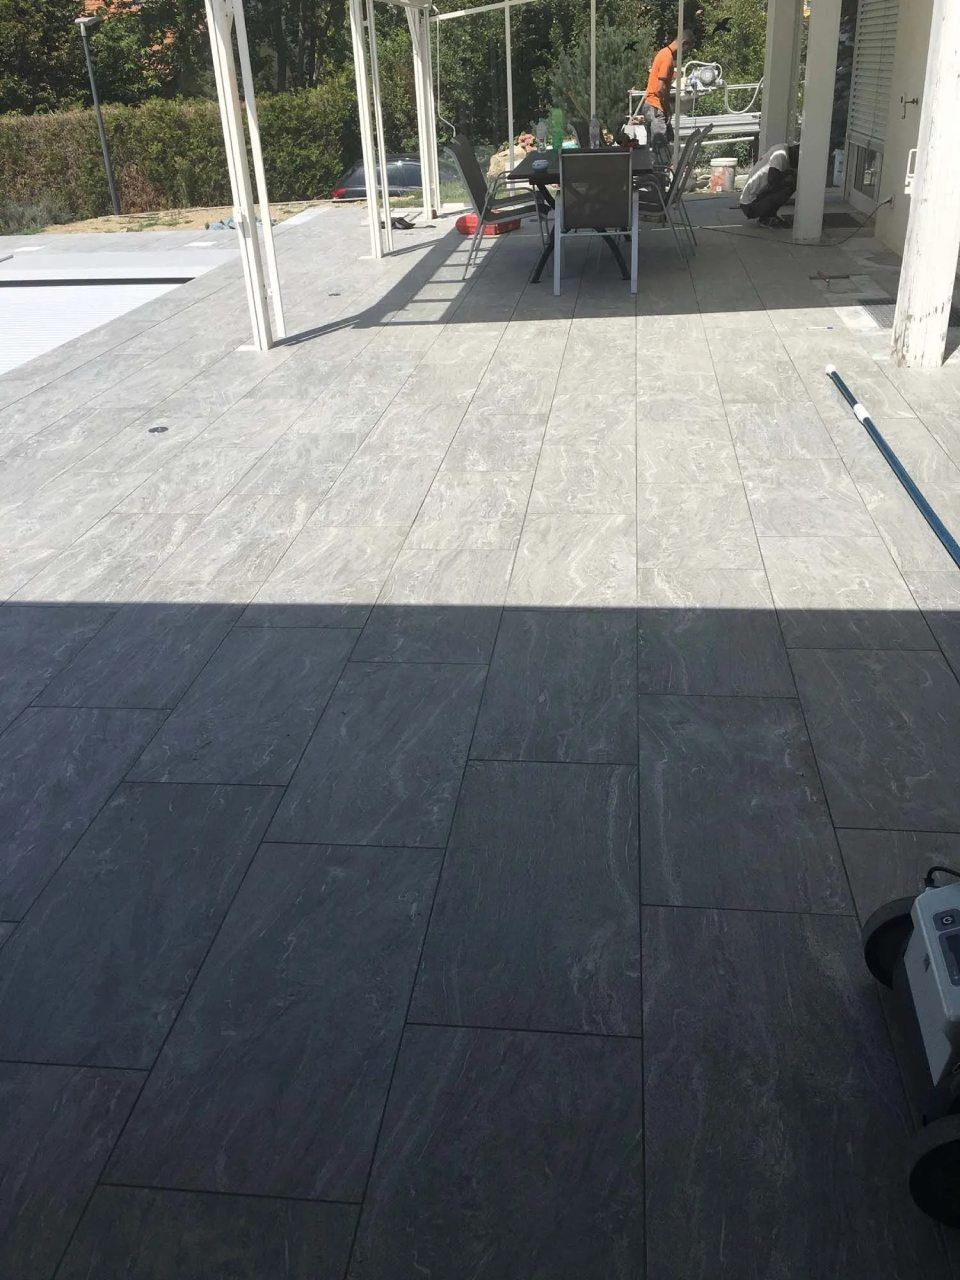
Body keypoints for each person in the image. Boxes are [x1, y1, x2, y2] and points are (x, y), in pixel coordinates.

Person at [641, 27, 693, 162]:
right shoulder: (667, 58)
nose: (684, 53)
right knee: (660, 147)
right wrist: (666, 108)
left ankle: (664, 167)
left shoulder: (663, 53)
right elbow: (660, 89)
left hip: (652, 105)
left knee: (668, 141)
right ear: (684, 43)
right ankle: (660, 170)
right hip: (655, 106)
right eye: (686, 49)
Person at [739, 142, 800, 227]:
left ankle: (769, 215)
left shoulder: (782, 149)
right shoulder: (780, 153)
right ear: (796, 152)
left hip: (752, 201)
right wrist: (788, 173)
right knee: (790, 183)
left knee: (788, 181)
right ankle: (766, 218)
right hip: (750, 205)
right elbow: (772, 179)